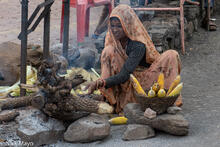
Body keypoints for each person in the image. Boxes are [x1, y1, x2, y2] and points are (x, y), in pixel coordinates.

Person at [87, 4, 182, 113]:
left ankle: (166, 102)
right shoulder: (113, 41)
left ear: (127, 25)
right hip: (123, 82)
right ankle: (110, 98)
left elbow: (124, 75)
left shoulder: (138, 45)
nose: (115, 30)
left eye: (119, 26)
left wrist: (99, 83)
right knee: (108, 51)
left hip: (143, 81)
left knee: (171, 55)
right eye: (112, 26)